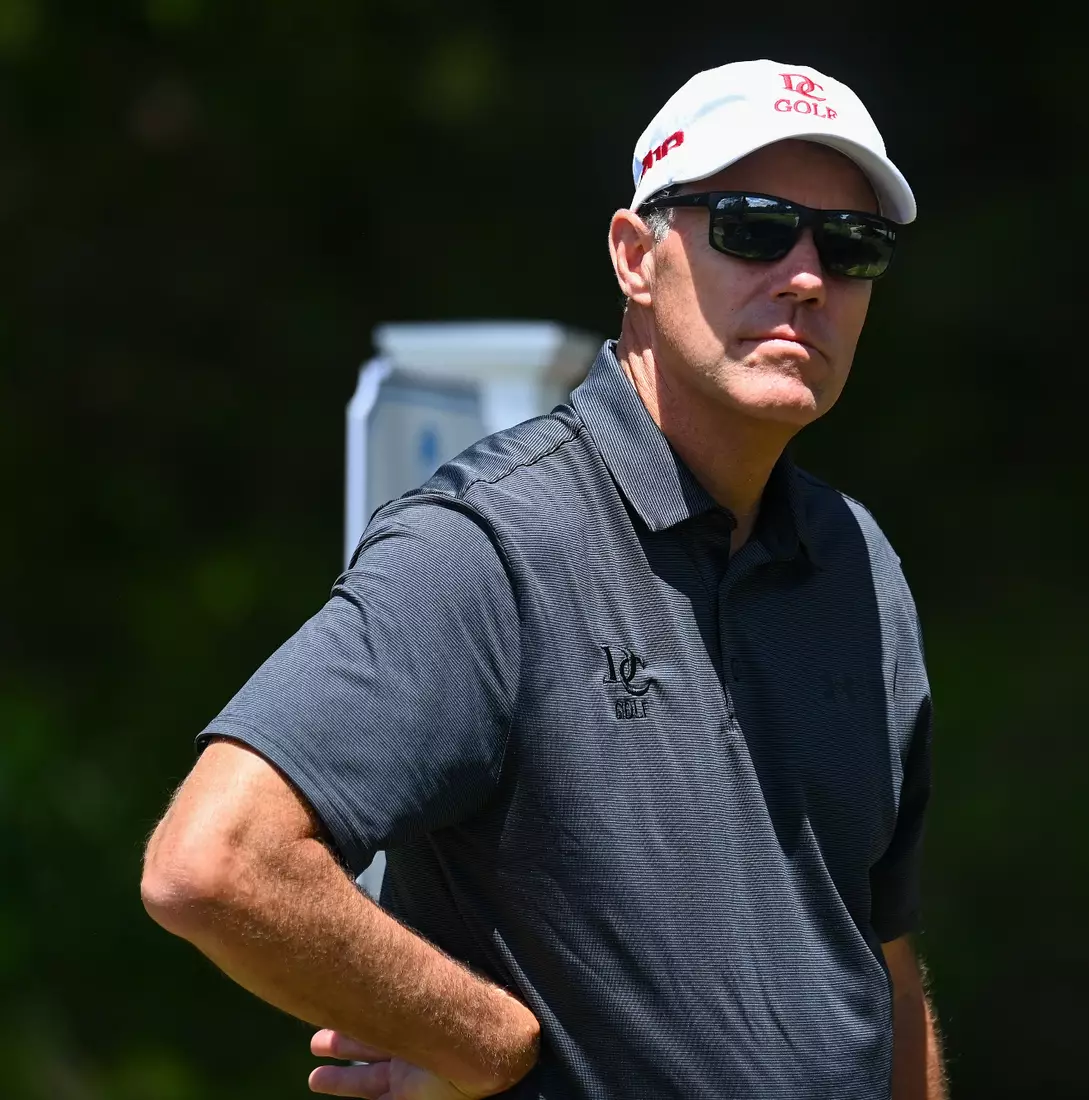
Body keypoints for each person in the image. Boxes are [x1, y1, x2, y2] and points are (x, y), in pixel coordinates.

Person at [140, 58, 944, 1100]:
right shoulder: (491, 543)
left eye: (850, 245)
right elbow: (217, 859)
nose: (806, 276)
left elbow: (879, 957)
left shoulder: (858, 565)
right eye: (754, 227)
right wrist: (484, 1039)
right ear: (635, 257)